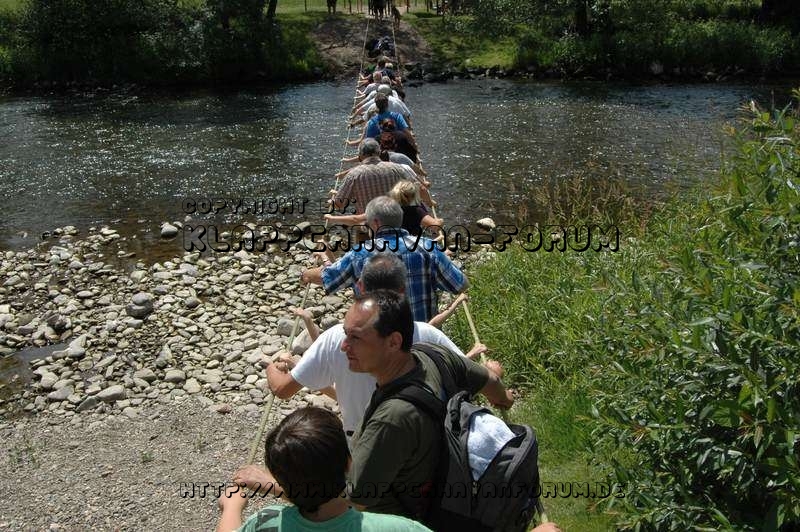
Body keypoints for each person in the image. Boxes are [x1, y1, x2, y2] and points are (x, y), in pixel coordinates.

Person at [270, 253, 489, 438]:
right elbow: (473, 378)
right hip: (424, 449)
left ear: (360, 287)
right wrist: (493, 373)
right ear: (403, 290)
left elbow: (283, 390)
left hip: (361, 443)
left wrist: (272, 367)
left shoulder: (335, 338)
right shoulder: (427, 333)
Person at [343, 290, 514, 517]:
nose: (344, 346)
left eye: (355, 337)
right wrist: (504, 399)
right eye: (346, 334)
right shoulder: (433, 355)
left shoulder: (392, 419)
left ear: (394, 341)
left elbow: (358, 500)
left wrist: (284, 486)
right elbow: (490, 381)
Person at [217, 407, 432, 532]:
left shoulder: (266, 522)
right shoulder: (400, 529)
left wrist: (232, 507)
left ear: (279, 480)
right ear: (349, 463)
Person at [302, 196, 467, 322]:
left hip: (378, 345)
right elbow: (460, 284)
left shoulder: (360, 253)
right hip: (423, 338)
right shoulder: (428, 247)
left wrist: (307, 273)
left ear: (375, 222)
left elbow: (329, 278)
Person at [330, 140, 422, 216]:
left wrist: (332, 200)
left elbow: (340, 204)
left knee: (360, 224)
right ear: (378, 152)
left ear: (360, 155)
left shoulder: (354, 174)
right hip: (397, 220)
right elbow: (415, 188)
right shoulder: (396, 168)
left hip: (368, 224)